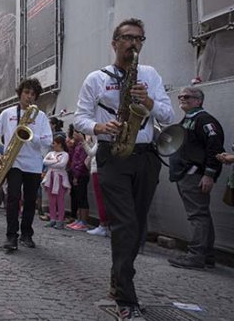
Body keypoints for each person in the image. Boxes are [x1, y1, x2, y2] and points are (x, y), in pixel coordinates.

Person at [74, 18, 174, 320]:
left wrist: (149, 101)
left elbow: (168, 115)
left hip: (145, 156)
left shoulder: (150, 75)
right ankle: (126, 300)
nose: (134, 43)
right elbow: (80, 118)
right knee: (125, 225)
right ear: (115, 42)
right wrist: (99, 127)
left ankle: (118, 281)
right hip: (113, 155)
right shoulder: (96, 78)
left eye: (139, 39)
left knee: (138, 228)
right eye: (128, 38)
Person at [0, 78, 52, 251]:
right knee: (13, 198)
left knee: (30, 201)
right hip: (13, 161)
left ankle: (26, 233)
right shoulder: (7, 113)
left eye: (32, 94)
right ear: (20, 93)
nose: (29, 96)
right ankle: (11, 236)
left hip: (33, 164)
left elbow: (48, 141)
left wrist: (31, 136)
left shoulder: (41, 116)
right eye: (26, 92)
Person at [167, 87, 224, 269]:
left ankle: (196, 256)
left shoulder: (204, 120)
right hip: (186, 174)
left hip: (194, 174)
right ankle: (206, 255)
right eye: (180, 96)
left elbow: (215, 147)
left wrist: (209, 174)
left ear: (199, 100)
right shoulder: (188, 119)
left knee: (197, 215)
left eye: (187, 96)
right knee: (201, 214)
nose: (182, 98)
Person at [41, 134, 70, 229]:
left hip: (59, 177)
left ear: (60, 144)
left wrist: (52, 162)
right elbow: (44, 162)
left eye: (54, 143)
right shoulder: (51, 153)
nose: (53, 145)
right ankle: (52, 218)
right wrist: (55, 161)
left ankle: (60, 220)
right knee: (51, 200)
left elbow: (62, 164)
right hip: (50, 177)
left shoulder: (65, 154)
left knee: (60, 200)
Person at [83, 135, 109, 237]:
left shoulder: (101, 139)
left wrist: (83, 142)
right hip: (102, 170)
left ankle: (102, 225)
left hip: (97, 170)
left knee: (100, 199)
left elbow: (91, 153)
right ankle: (105, 225)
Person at [66, 129, 91, 231]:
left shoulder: (83, 146)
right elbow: (73, 159)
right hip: (75, 174)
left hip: (81, 175)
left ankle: (83, 221)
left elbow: (81, 162)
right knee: (78, 197)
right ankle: (79, 219)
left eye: (75, 134)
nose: (74, 136)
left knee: (82, 197)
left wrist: (76, 176)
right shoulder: (77, 146)